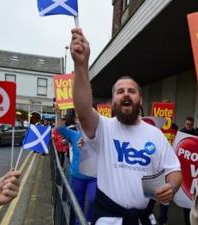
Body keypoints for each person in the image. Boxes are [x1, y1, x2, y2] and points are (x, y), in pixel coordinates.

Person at [70, 28, 182, 225]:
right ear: (113, 101)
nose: (126, 94)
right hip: (108, 219)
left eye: (132, 91)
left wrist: (171, 188)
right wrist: (81, 66)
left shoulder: (155, 135)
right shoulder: (104, 128)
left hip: (144, 219)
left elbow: (174, 170)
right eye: (120, 91)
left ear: (140, 99)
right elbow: (83, 110)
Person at [54, 105, 97, 225]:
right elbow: (60, 128)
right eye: (79, 118)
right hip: (77, 177)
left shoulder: (98, 135)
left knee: (93, 200)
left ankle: (88, 220)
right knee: (77, 203)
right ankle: (78, 222)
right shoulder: (73, 134)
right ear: (76, 121)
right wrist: (58, 113)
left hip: (94, 177)